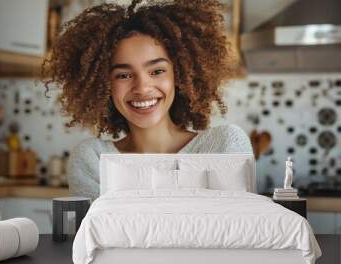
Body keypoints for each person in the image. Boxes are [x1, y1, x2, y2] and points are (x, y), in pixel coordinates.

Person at [41, 0, 253, 201]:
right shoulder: (92, 159)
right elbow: (92, 237)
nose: (142, 88)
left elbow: (242, 233)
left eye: (157, 71)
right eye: (123, 75)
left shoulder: (224, 145)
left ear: (178, 74)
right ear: (104, 84)